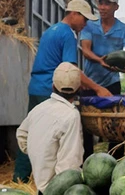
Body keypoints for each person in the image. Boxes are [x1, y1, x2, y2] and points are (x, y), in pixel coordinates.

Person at [13, 0, 112, 183]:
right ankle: (57, 181)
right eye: (84, 18)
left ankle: (20, 179)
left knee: (32, 133)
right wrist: (98, 88)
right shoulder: (68, 34)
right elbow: (71, 70)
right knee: (58, 138)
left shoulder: (52, 30)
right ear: (74, 14)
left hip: (36, 86)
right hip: (49, 90)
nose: (85, 23)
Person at [80, 0, 125, 159]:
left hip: (112, 82)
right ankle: (87, 160)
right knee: (86, 124)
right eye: (100, 3)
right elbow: (85, 50)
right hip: (89, 82)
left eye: (107, 4)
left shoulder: (124, 29)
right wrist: (100, 61)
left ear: (116, 7)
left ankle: (115, 158)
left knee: (115, 122)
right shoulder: (90, 26)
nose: (102, 7)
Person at [16, 62, 84, 194]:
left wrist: (38, 154)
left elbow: (22, 135)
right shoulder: (72, 115)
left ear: (53, 87)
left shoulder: (39, 108)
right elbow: (69, 164)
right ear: (80, 89)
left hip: (40, 185)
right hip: (56, 189)